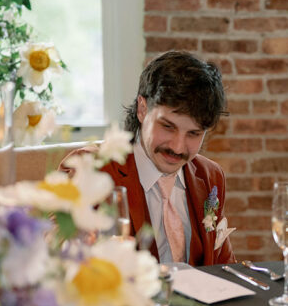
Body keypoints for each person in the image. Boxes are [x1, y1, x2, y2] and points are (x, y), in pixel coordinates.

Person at [96, 50, 235, 266]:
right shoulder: (94, 172)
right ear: (142, 109)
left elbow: (224, 265)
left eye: (194, 134)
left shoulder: (211, 177)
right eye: (167, 127)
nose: (178, 147)